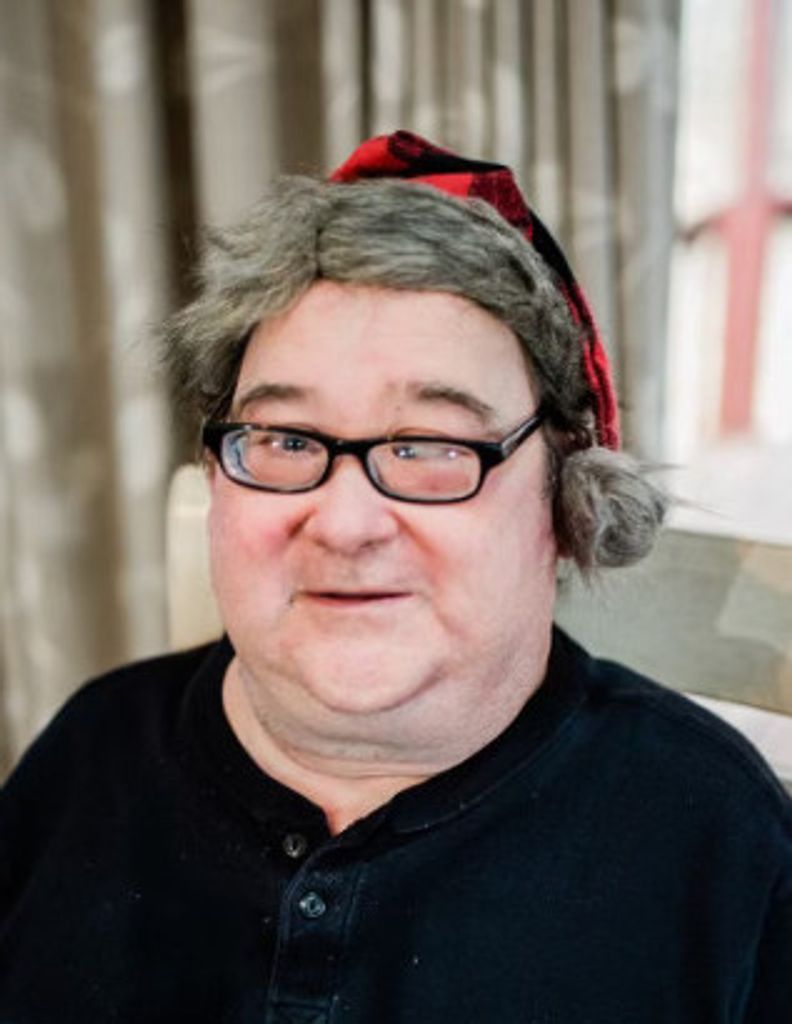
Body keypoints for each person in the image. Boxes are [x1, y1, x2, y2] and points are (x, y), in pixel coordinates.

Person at [1, 131, 790, 1023]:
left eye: (429, 447)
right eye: (286, 439)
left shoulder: (715, 838)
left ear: (565, 497)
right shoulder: (90, 753)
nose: (344, 524)